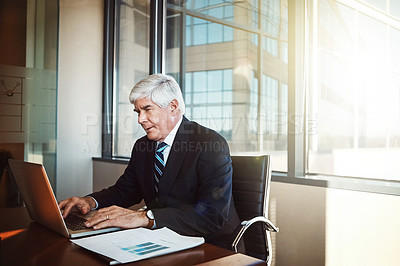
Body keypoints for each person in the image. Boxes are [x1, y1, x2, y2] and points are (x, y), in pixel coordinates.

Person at [59, 74, 242, 249]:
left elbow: (211, 215)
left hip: (211, 244)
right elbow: (126, 191)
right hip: (162, 239)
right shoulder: (143, 146)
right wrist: (90, 201)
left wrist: (145, 217)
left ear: (173, 106)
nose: (140, 119)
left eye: (147, 109)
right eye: (138, 112)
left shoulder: (209, 144)